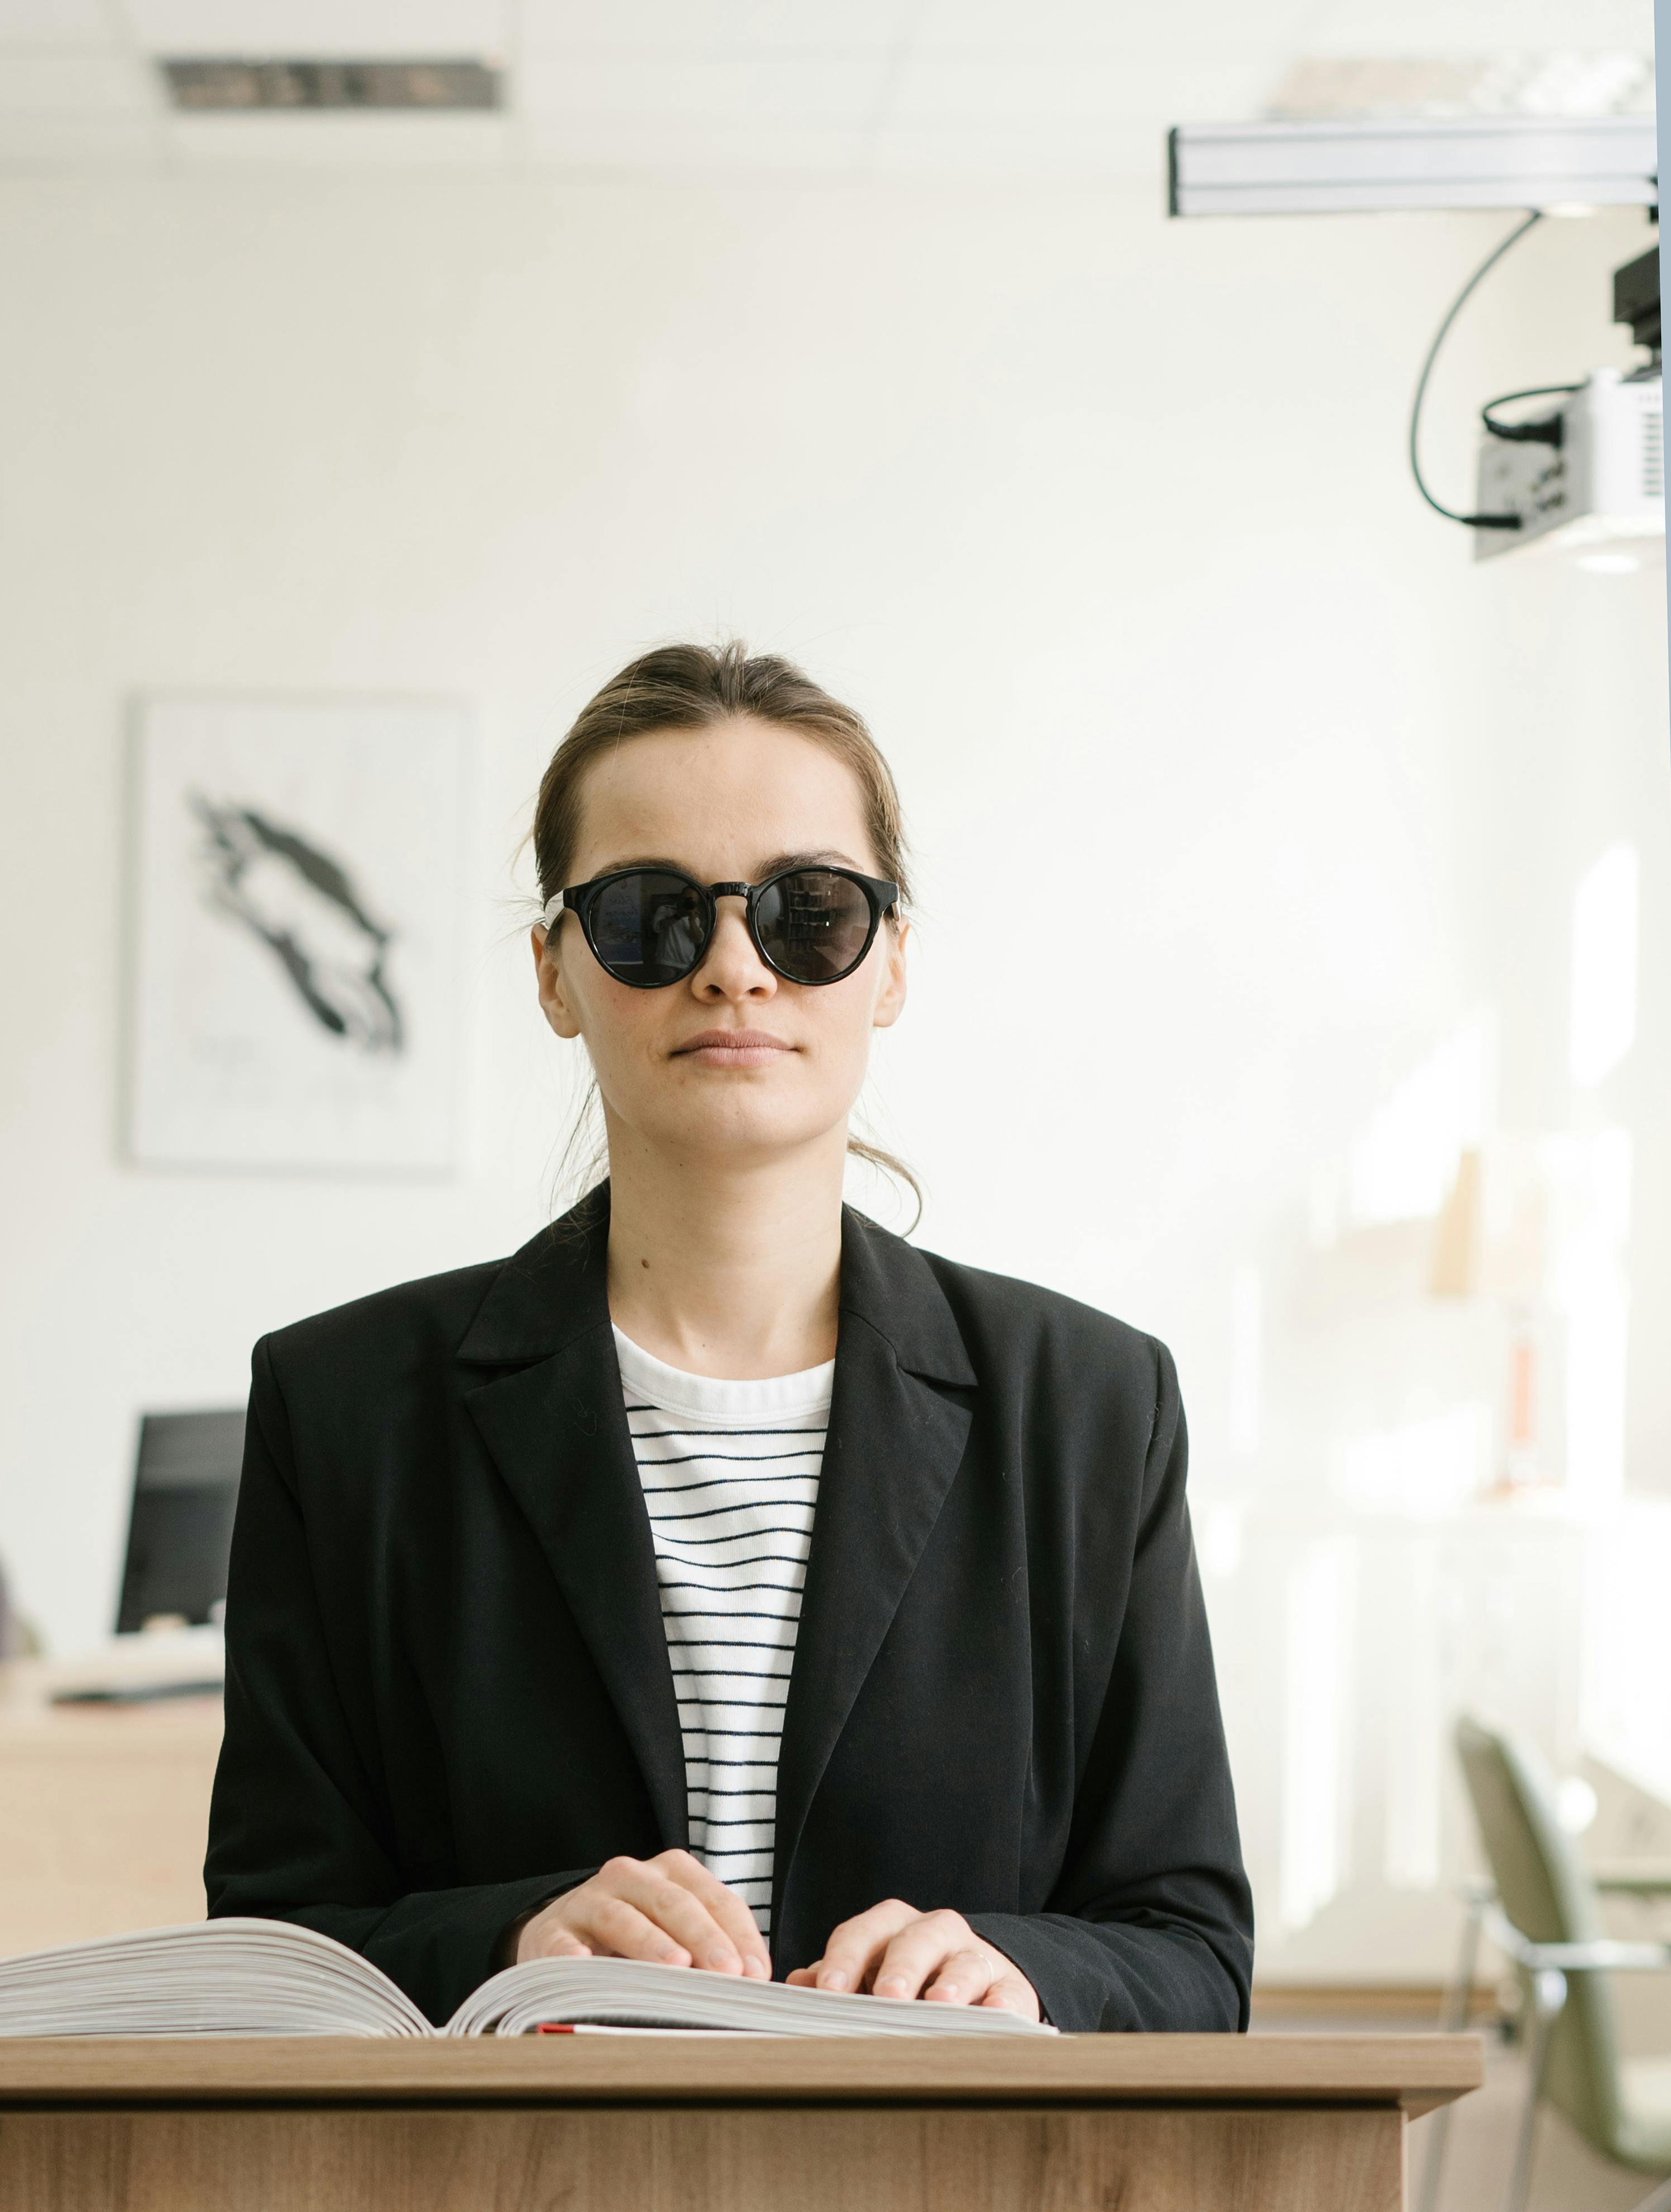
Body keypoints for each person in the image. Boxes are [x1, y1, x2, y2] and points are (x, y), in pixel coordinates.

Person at [205, 641, 1252, 2032]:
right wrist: (506, 1943)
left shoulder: (1092, 1408)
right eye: (651, 915)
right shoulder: (343, 1408)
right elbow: (270, 1955)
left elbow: (1190, 1954)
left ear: (886, 963)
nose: (733, 969)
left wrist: (1024, 1973)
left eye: (806, 911)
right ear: (553, 973)